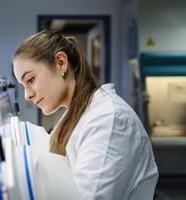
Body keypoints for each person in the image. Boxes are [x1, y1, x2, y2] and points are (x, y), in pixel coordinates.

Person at [12, 30, 158, 199]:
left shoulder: (110, 121)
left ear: (60, 62)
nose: (27, 95)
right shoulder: (73, 116)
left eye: (30, 80)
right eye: (23, 85)